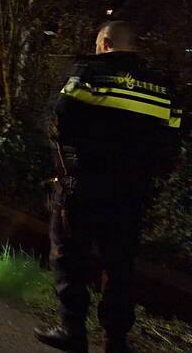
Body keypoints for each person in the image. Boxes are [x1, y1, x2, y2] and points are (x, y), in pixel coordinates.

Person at [34, 21, 183, 353]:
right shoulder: (163, 85)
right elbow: (172, 143)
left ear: (104, 42)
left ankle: (73, 332)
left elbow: (58, 120)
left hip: (85, 185)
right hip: (132, 192)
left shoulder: (91, 73)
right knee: (120, 266)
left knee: (68, 257)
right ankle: (115, 341)